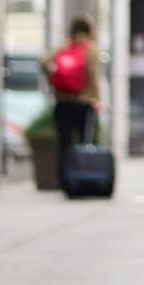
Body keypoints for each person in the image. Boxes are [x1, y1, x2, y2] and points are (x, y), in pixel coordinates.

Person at [41, 15, 101, 188]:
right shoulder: (91, 49)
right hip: (84, 103)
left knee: (64, 143)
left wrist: (53, 81)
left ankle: (64, 180)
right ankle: (81, 178)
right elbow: (94, 76)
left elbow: (44, 61)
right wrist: (96, 99)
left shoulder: (65, 46)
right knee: (85, 142)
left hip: (63, 101)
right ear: (89, 31)